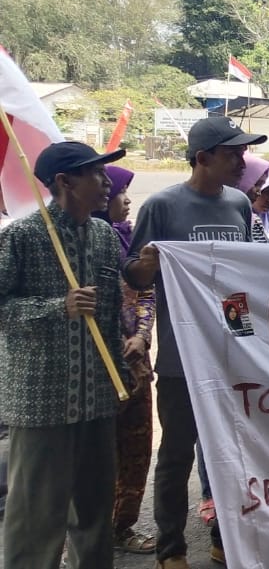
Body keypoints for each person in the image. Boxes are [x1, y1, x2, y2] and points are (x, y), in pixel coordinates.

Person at [126, 115, 265, 568]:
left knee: (228, 453)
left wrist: (243, 339)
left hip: (227, 355)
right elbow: (134, 276)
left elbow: (237, 281)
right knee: (176, 455)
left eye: (243, 152)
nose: (241, 161)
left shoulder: (240, 205)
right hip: (180, 359)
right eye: (233, 153)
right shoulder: (163, 206)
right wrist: (147, 264)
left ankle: (226, 536)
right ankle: (172, 548)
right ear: (202, 158)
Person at [0, 141, 128, 569]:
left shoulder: (106, 236)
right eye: (96, 174)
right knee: (36, 518)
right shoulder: (22, 236)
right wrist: (59, 307)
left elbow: (110, 313)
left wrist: (124, 370)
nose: (107, 183)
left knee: (94, 513)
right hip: (42, 403)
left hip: (97, 397)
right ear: (64, 182)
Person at [91, 165, 158, 555]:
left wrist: (141, 334)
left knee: (137, 447)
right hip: (98, 367)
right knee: (96, 454)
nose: (127, 199)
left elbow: (144, 293)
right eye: (121, 191)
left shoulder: (129, 242)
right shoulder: (81, 245)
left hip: (135, 363)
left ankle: (122, 526)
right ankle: (87, 533)